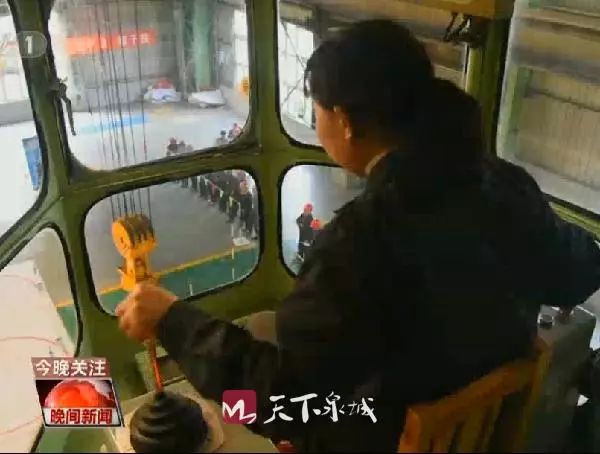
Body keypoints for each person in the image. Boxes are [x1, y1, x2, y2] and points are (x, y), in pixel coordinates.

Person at [116, 20, 600, 452]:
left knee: (248, 395)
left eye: (318, 111)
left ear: (344, 122)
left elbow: (282, 406)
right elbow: (579, 273)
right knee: (267, 334)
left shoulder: (359, 244)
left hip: (369, 434)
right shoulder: (509, 187)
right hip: (482, 435)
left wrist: (174, 322)